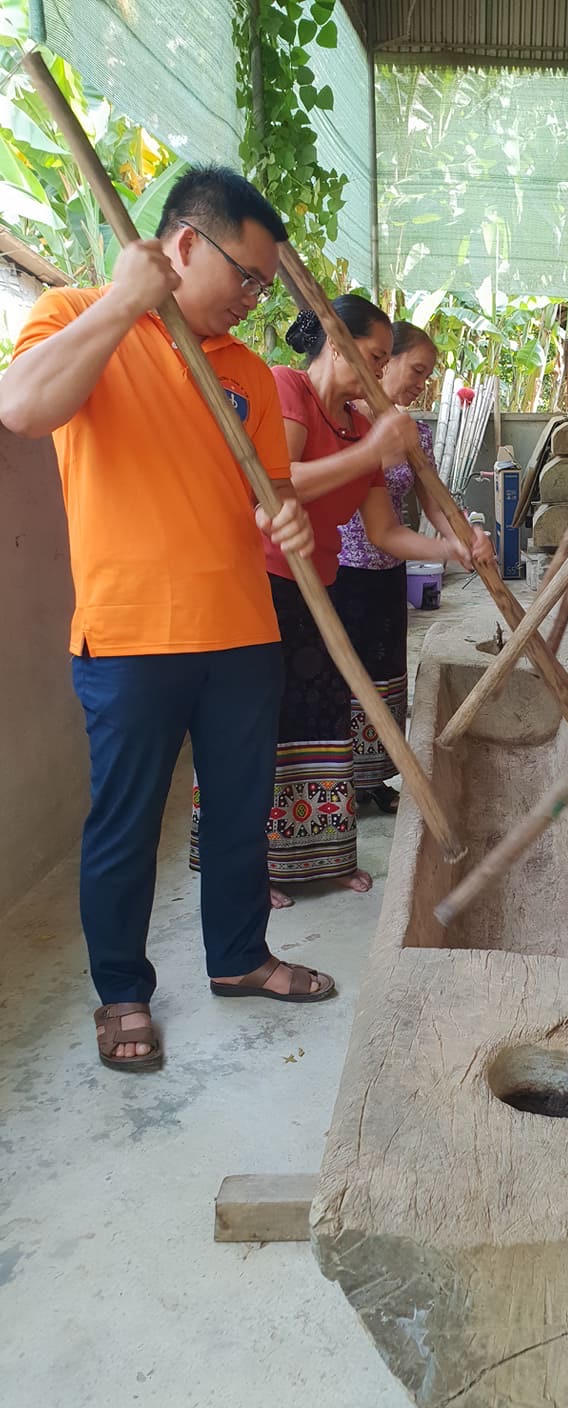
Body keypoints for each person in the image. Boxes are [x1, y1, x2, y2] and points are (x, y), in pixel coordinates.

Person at [0, 166, 331, 1073]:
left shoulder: (248, 372)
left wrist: (286, 519)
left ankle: (239, 957)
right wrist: (122, 302)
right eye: (248, 277)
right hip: (129, 636)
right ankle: (122, 992)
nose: (255, 298)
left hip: (243, 631)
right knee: (126, 824)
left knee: (240, 812)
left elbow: (268, 494)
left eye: (265, 285)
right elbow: (22, 406)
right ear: (185, 244)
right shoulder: (76, 315)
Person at [196, 297, 489, 909]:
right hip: (264, 583)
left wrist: (450, 549)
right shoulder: (288, 388)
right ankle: (254, 867)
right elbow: (276, 479)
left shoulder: (359, 425)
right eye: (376, 357)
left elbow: (385, 532)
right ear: (336, 344)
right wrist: (372, 450)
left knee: (321, 718)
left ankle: (321, 856)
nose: (380, 371)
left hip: (319, 586)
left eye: (384, 360)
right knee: (263, 725)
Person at [335, 321, 461, 814]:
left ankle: (370, 780)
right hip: (340, 573)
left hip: (389, 570)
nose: (420, 384)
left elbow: (434, 501)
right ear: (385, 361)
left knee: (385, 674)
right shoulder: (343, 422)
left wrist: (462, 538)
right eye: (416, 370)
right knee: (343, 679)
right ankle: (339, 782)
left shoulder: (414, 433)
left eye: (427, 376)